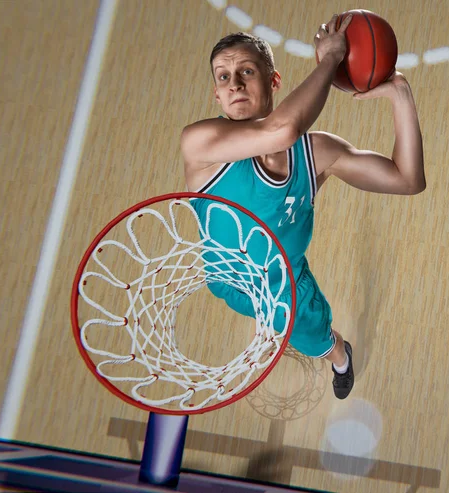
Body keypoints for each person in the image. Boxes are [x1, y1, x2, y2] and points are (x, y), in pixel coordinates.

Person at [181, 14, 425, 400]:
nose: (235, 84)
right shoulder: (201, 144)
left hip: (285, 288)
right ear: (216, 94)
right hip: (224, 281)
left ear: (274, 80)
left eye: (246, 71)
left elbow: (407, 180)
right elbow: (280, 130)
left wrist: (400, 94)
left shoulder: (316, 153)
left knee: (318, 342)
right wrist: (330, 60)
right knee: (263, 314)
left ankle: (342, 357)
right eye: (223, 77)